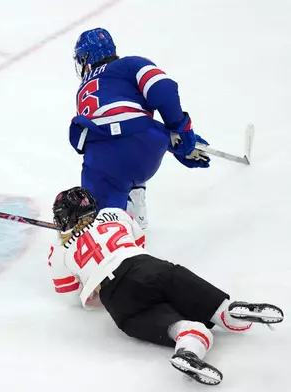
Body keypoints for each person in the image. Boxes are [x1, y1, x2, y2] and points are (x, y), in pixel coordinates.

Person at [47, 186, 284, 385]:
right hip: (148, 267)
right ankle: (229, 311)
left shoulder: (58, 253)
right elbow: (139, 241)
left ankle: (188, 349)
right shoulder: (114, 214)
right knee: (207, 301)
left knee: (183, 328)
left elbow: (71, 296)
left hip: (117, 300)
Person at [69, 28, 211, 229]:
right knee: (138, 136)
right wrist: (179, 133)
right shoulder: (131, 64)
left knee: (101, 220)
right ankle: (136, 200)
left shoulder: (83, 89)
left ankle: (107, 221)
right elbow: (162, 91)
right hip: (146, 149)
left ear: (87, 58)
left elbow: (109, 129)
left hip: (105, 160)